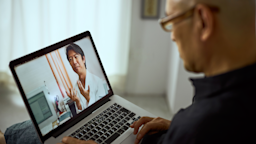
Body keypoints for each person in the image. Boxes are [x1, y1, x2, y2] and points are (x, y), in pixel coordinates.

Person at [58, 0, 256, 143]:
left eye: (171, 21)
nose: (172, 37)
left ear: (203, 21)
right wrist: (175, 125)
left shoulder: (202, 125)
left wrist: (183, 130)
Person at [65, 43, 108, 114]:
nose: (74, 62)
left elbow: (103, 110)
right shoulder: (75, 88)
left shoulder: (98, 81)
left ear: (83, 59)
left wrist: (88, 98)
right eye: (70, 59)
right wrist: (77, 101)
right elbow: (80, 115)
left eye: (76, 57)